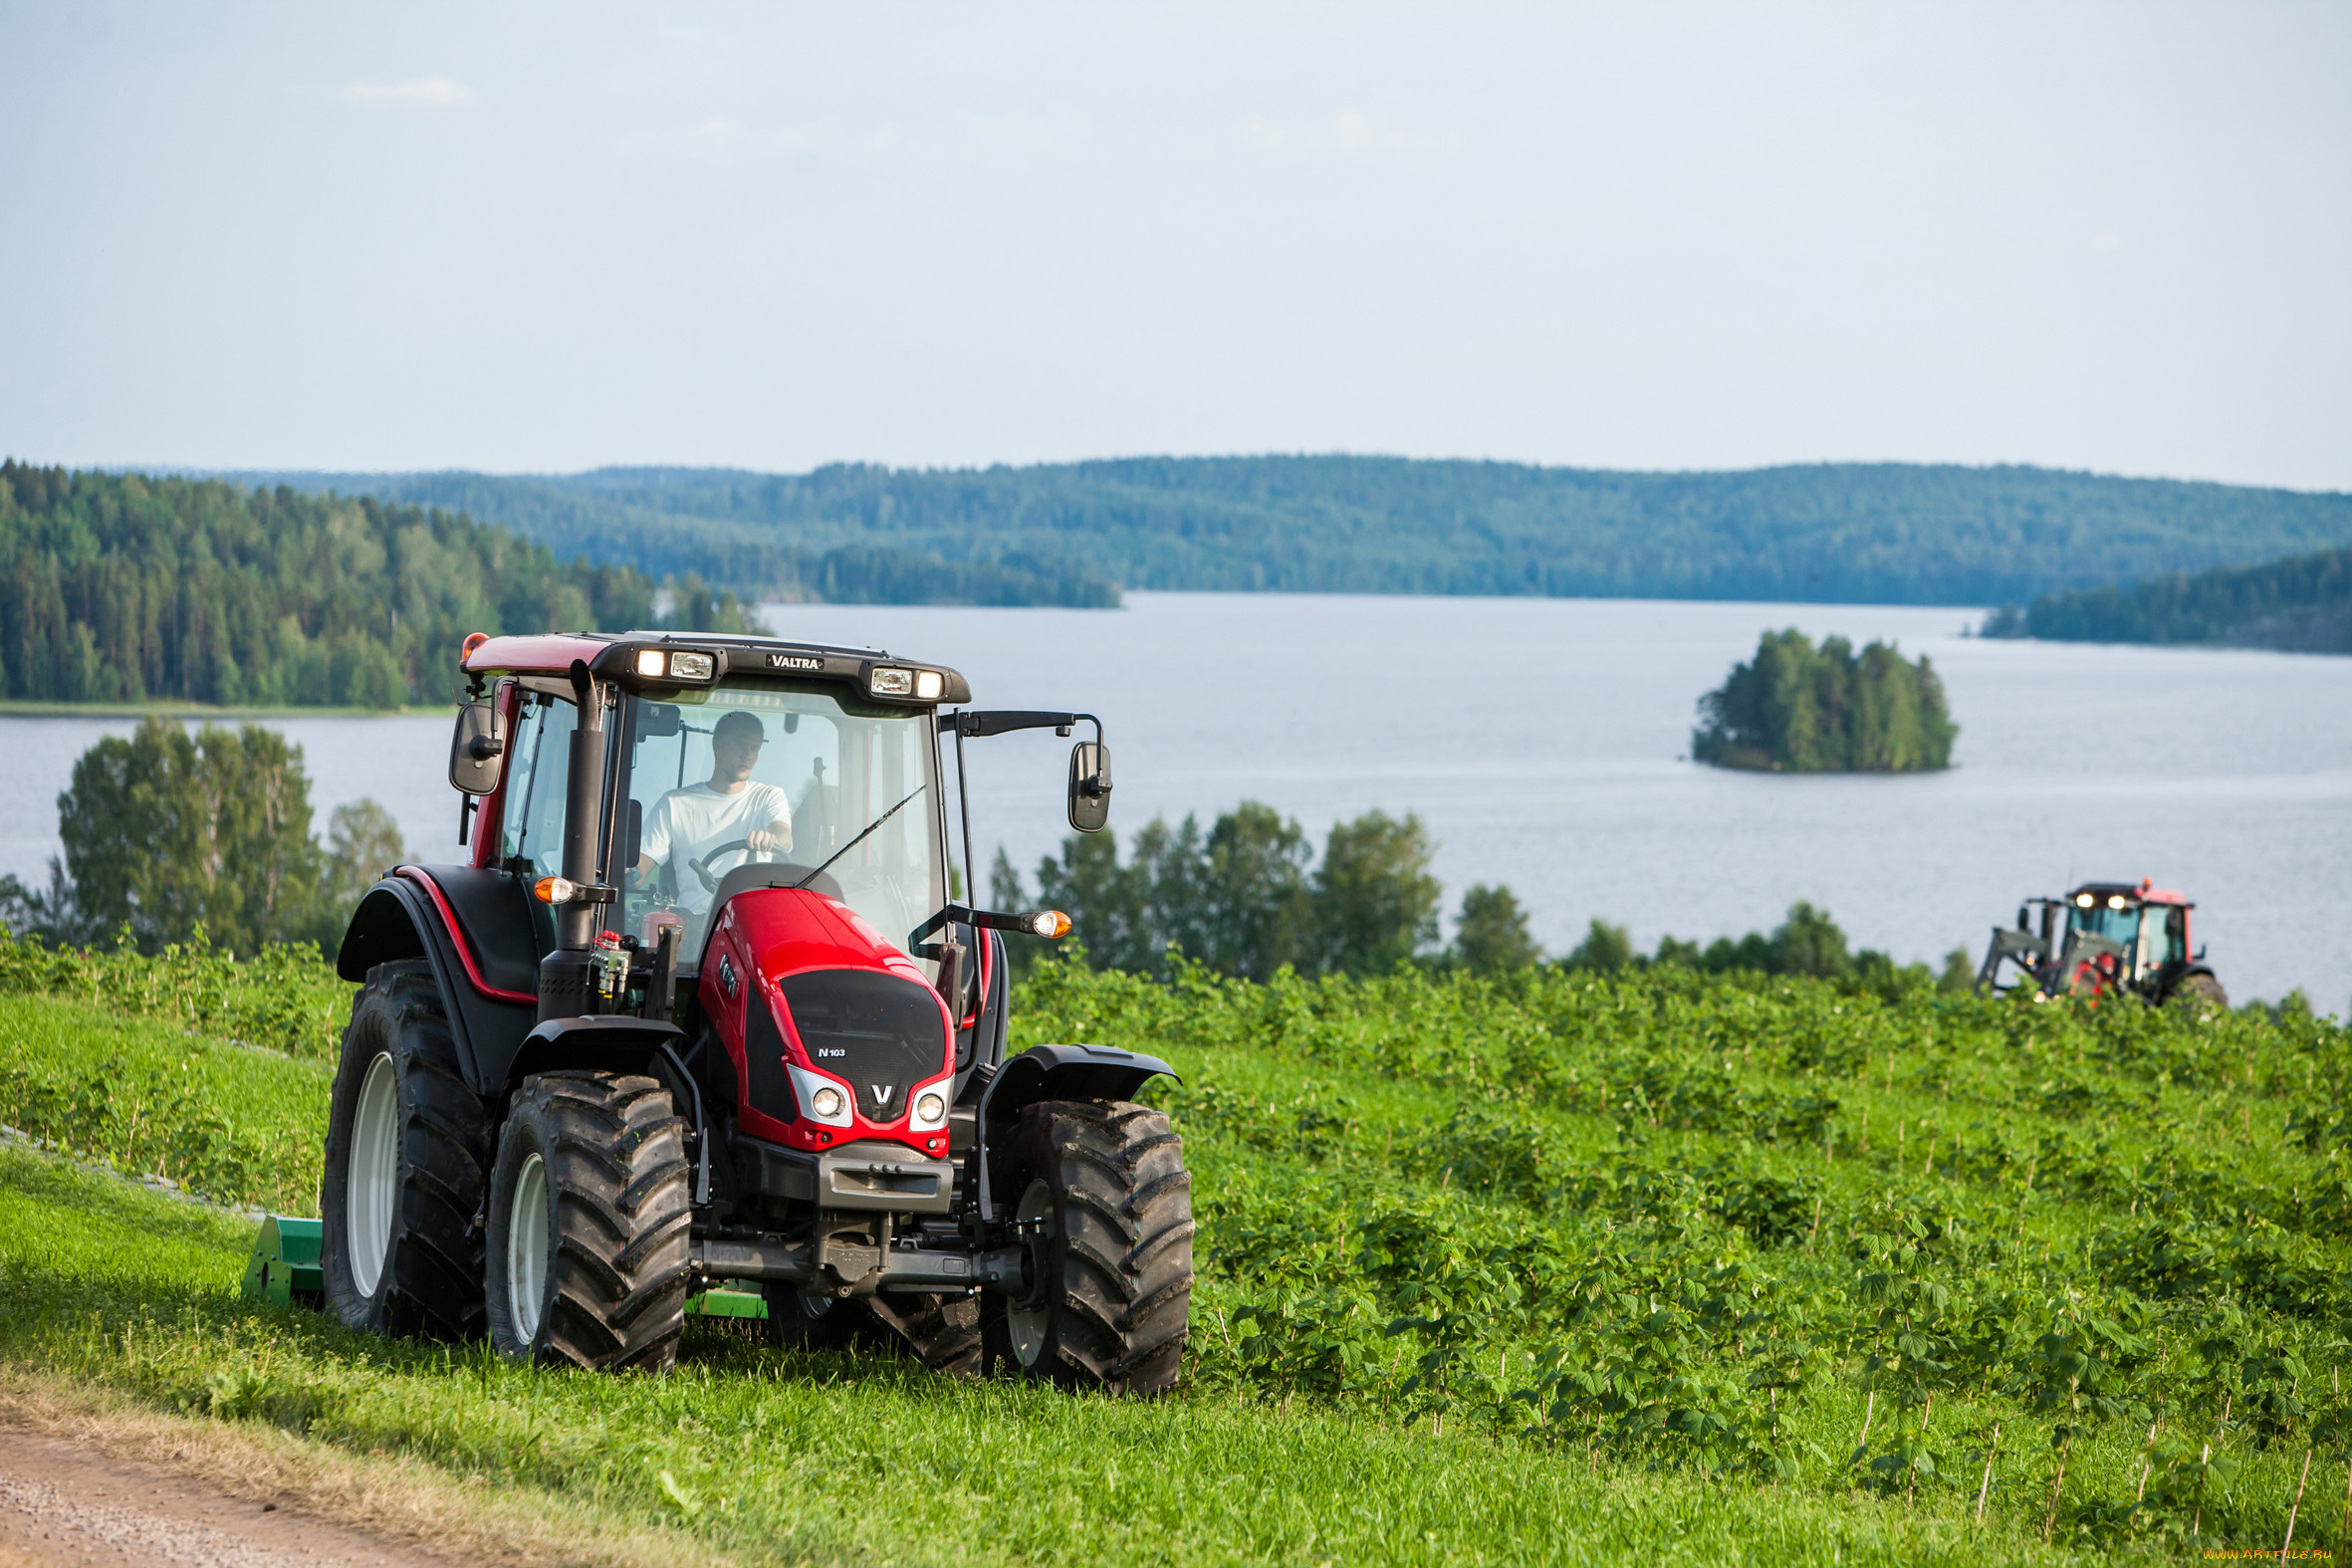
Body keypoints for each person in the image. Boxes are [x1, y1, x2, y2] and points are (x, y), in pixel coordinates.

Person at [635, 710, 793, 908]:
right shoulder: (675, 803)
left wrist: (772, 839)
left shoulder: (768, 796)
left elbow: (783, 836)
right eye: (740, 745)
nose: (747, 754)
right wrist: (623, 873)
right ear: (718, 746)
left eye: (754, 748)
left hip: (751, 920)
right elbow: (638, 872)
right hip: (694, 928)